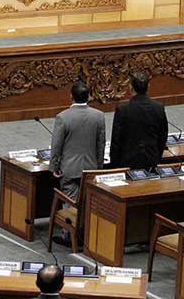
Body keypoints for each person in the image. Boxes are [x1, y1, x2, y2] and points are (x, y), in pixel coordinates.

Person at [50, 81, 105, 245]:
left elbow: (56, 145)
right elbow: (101, 144)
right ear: (89, 97)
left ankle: (69, 237)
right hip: (91, 168)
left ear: (71, 96)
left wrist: (54, 167)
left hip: (70, 168)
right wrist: (99, 167)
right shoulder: (98, 116)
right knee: (87, 201)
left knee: (69, 202)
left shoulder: (63, 117)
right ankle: (86, 233)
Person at [109, 71, 168, 170]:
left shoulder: (122, 109)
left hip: (128, 162)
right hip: (151, 159)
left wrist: (114, 165)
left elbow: (116, 140)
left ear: (130, 88)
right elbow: (162, 136)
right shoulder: (158, 107)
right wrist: (157, 157)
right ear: (148, 86)